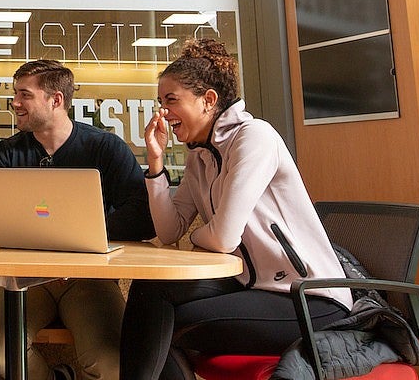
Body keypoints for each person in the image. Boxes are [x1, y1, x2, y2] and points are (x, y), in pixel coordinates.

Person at [119, 38, 353, 380]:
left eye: (171, 101)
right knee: (151, 288)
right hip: (252, 285)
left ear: (208, 100)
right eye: (160, 103)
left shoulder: (254, 137)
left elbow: (224, 237)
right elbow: (169, 232)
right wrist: (155, 164)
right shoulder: (200, 155)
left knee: (160, 324)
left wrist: (201, 236)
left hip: (308, 297)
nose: (163, 113)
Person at [0, 59, 155, 380]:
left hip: (88, 278)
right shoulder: (6, 153)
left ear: (56, 100)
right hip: (20, 278)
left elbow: (141, 216)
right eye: (15, 94)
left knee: (111, 363)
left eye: (24, 95)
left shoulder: (105, 148)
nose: (15, 103)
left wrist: (83, 231)